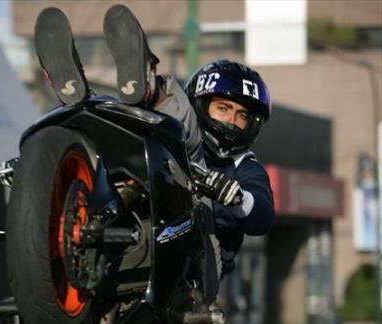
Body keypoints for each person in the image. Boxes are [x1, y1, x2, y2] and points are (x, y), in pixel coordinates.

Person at [34, 4, 275, 278]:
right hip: (131, 235)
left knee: (177, 136)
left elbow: (263, 217)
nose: (231, 120)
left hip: (197, 261)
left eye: (241, 114)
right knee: (130, 131)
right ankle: (80, 102)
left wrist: (236, 197)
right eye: (223, 108)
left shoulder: (244, 165)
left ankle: (153, 90)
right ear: (203, 105)